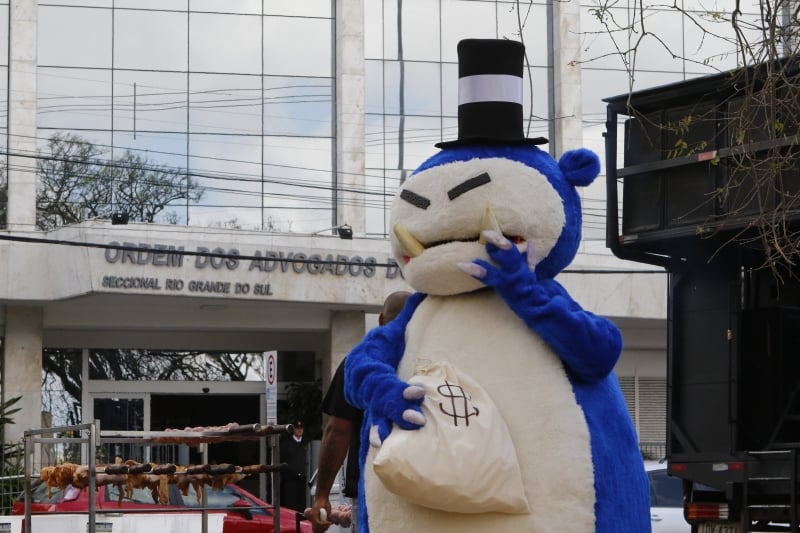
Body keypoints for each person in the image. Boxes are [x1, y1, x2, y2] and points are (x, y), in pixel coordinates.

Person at [308, 291, 411, 533]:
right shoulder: (433, 363)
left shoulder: (360, 363)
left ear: (381, 320)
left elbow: (338, 431)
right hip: (426, 488)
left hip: (373, 490)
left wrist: (322, 496)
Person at [280, 420, 309, 512]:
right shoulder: (286, 444)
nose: (299, 430)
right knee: (290, 505)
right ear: (293, 429)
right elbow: (281, 460)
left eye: (301, 428)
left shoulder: (306, 443)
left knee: (303, 505)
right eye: (297, 428)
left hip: (303, 480)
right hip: (290, 480)